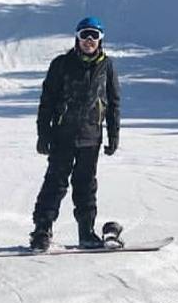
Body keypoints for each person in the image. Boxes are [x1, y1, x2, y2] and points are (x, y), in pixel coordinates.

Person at [30, 16, 120, 251]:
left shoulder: (107, 66)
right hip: (63, 135)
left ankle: (86, 232)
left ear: (101, 39)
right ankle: (42, 230)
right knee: (55, 183)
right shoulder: (60, 64)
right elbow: (46, 101)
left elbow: (113, 103)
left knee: (86, 185)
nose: (89, 40)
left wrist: (114, 135)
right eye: (84, 35)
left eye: (94, 35)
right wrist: (43, 133)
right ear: (77, 38)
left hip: (91, 137)